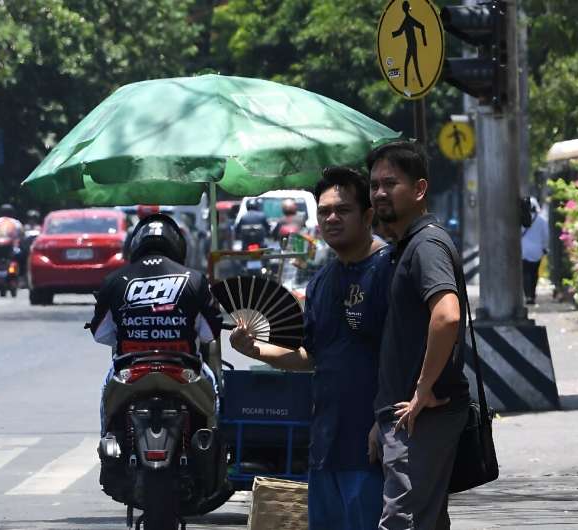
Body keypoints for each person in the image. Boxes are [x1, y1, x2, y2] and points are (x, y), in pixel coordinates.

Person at [230, 167, 393, 530]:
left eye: (343, 210)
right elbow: (312, 357)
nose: (331, 218)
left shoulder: (391, 270)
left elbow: (409, 356)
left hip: (374, 448)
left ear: (368, 215)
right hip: (325, 448)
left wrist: (386, 422)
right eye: (324, 211)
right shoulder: (322, 281)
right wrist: (255, 350)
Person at [367, 140, 470, 530]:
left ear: (420, 189)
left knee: (402, 521)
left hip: (423, 415)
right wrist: (383, 416)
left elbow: (446, 316)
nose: (379, 192)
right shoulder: (407, 245)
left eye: (390, 183)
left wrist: (422, 389)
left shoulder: (426, 244)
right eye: (374, 184)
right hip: (405, 415)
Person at [88, 213, 223, 435]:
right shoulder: (195, 279)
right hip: (185, 368)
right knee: (214, 395)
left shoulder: (114, 280)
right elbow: (209, 334)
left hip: (129, 368)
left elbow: (101, 333)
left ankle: (107, 439)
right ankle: (212, 444)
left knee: (106, 395)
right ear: (178, 245)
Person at [521, 196, 549, 305]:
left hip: (523, 250)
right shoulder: (542, 220)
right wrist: (544, 247)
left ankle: (527, 295)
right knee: (534, 273)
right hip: (537, 251)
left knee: (525, 273)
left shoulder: (521, 219)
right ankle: (532, 294)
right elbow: (546, 235)